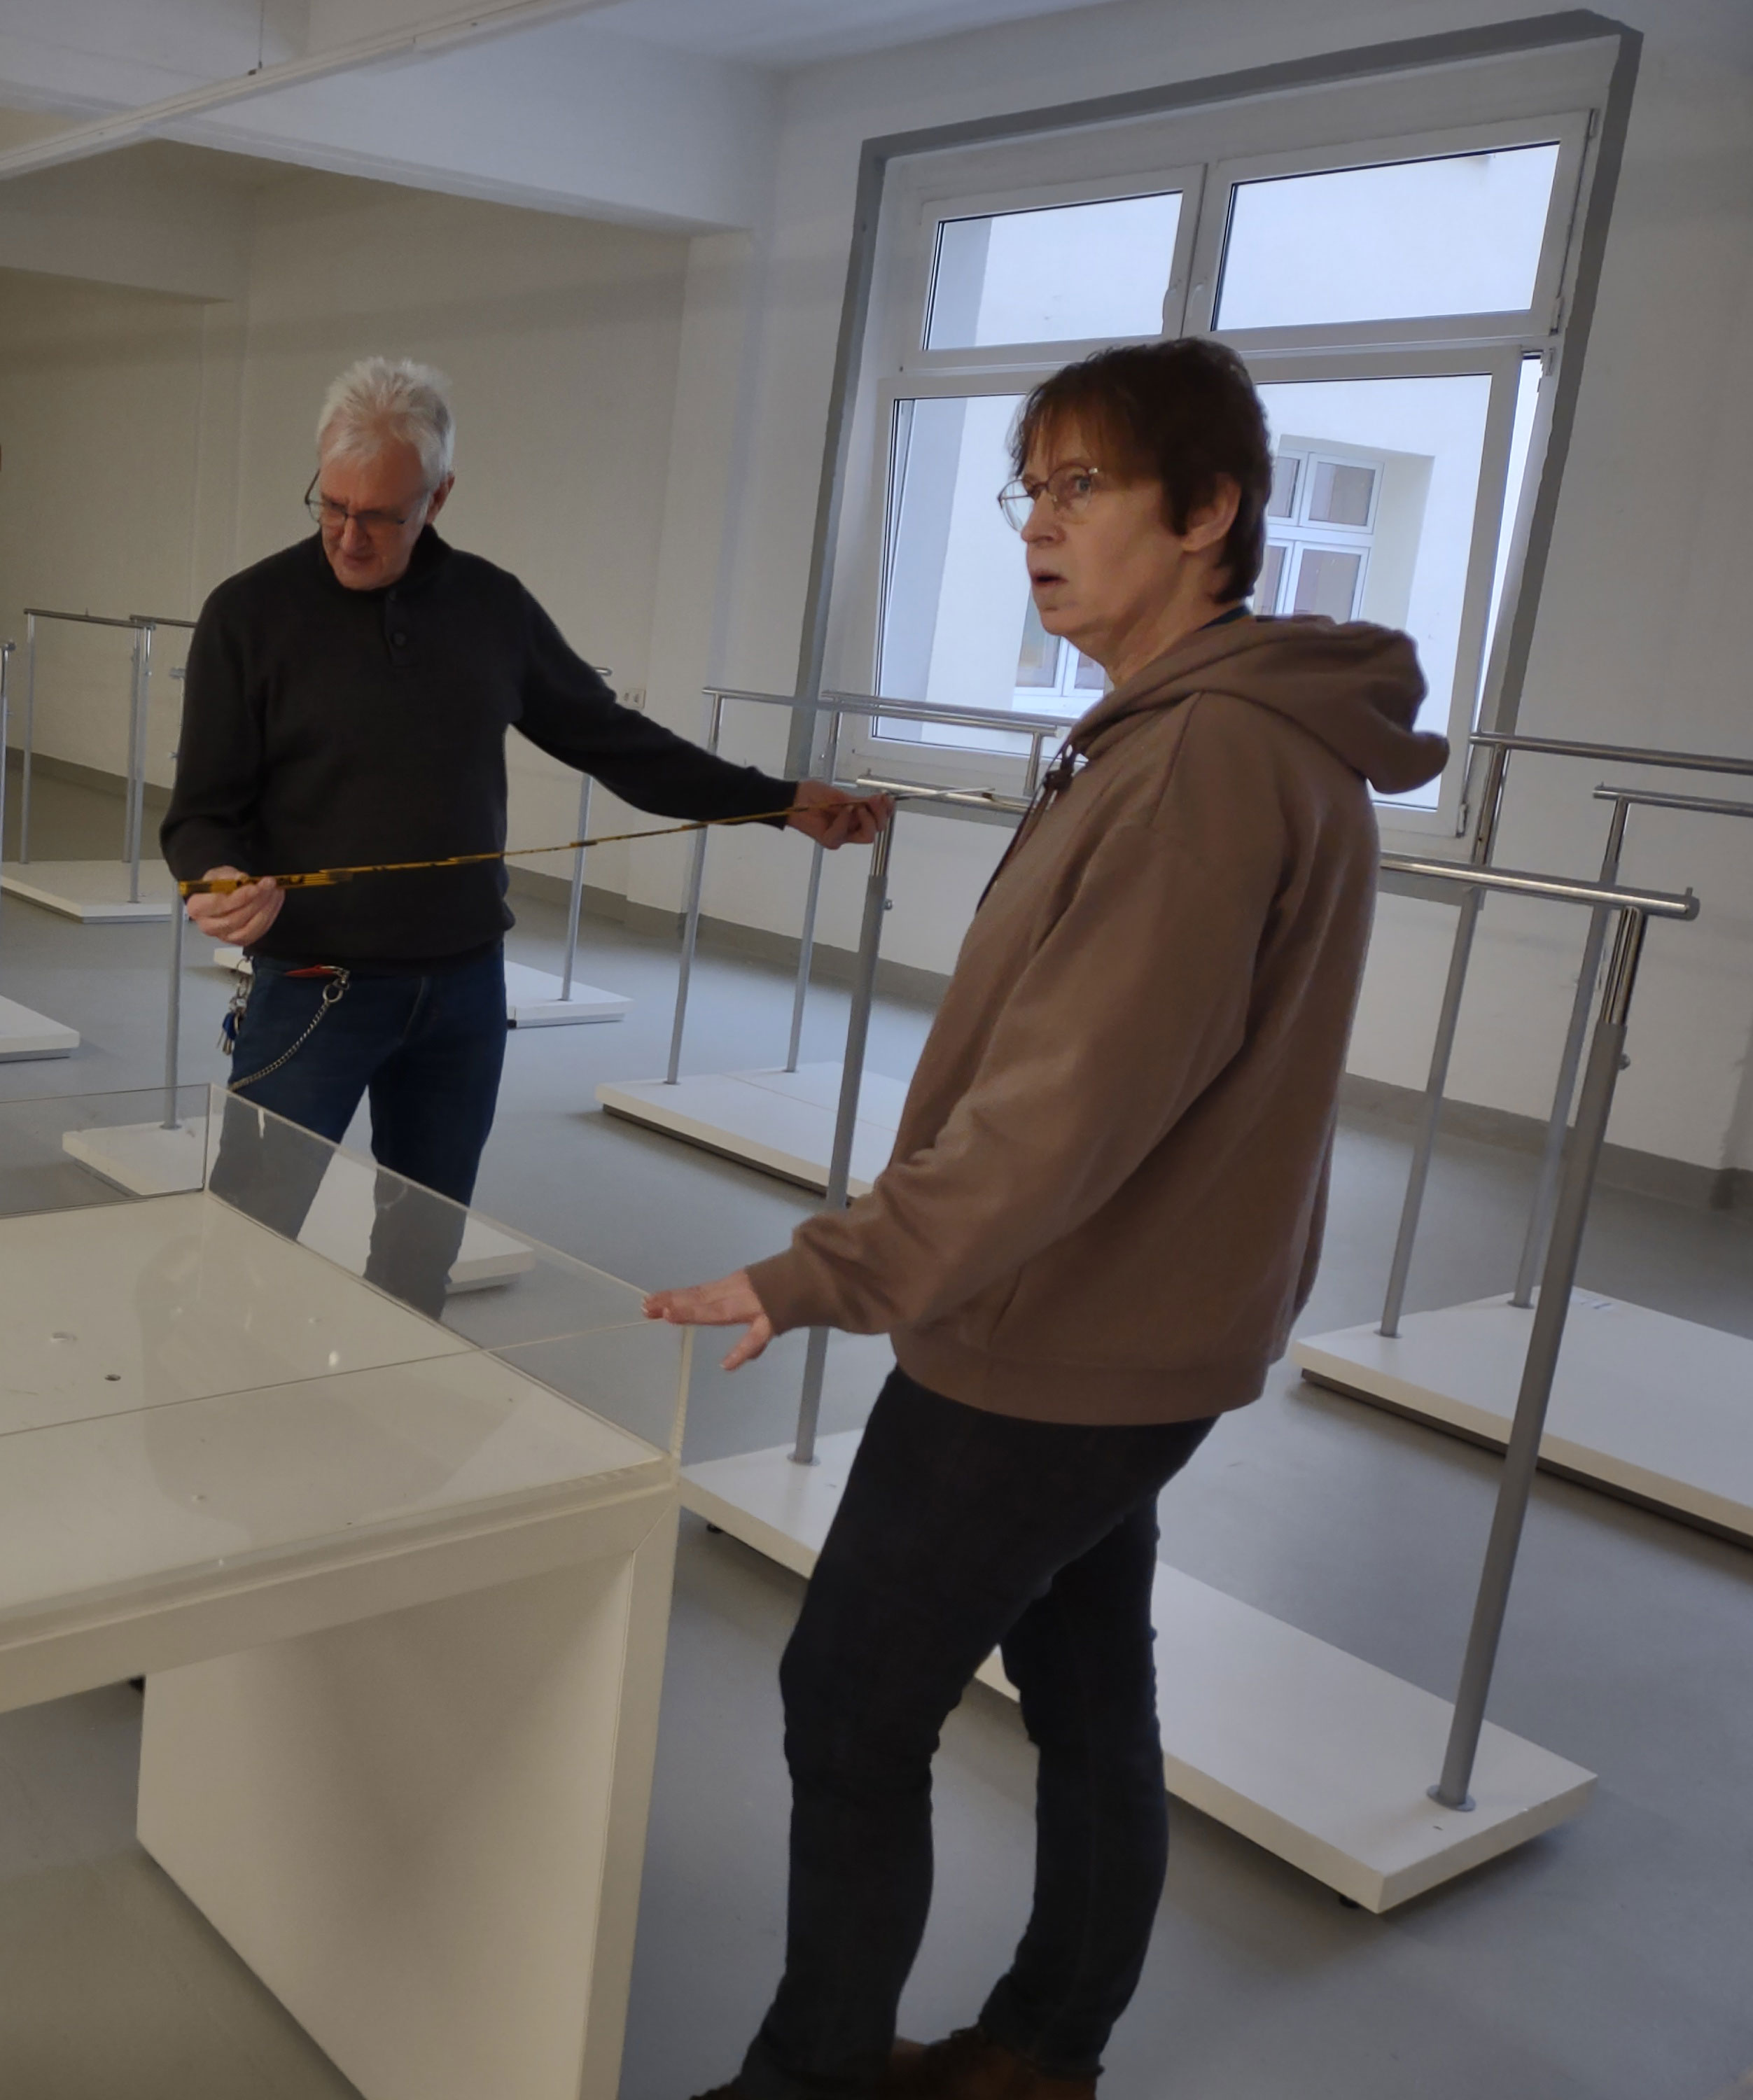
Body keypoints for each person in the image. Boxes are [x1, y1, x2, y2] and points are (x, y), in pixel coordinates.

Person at [646, 337, 1447, 2100]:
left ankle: (815, 2076)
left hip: (1052, 1341)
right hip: (1127, 1329)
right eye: (1031, 488)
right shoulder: (1190, 738)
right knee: (1087, 1691)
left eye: (1082, 486)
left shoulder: (1201, 764)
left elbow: (1061, 1108)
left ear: (1209, 511)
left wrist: (829, 1267)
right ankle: (1041, 2049)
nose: (1037, 525)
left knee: (848, 1703)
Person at [165, 356, 886, 1303]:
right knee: (247, 1237)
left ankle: (395, 1410)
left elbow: (614, 741)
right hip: (313, 988)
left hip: (463, 992)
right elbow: (201, 809)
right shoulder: (247, 615)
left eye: (379, 514)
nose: (348, 536)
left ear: (439, 497)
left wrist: (779, 800)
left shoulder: (491, 608)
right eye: (330, 506)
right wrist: (215, 879)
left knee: (423, 1247)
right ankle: (216, 1419)